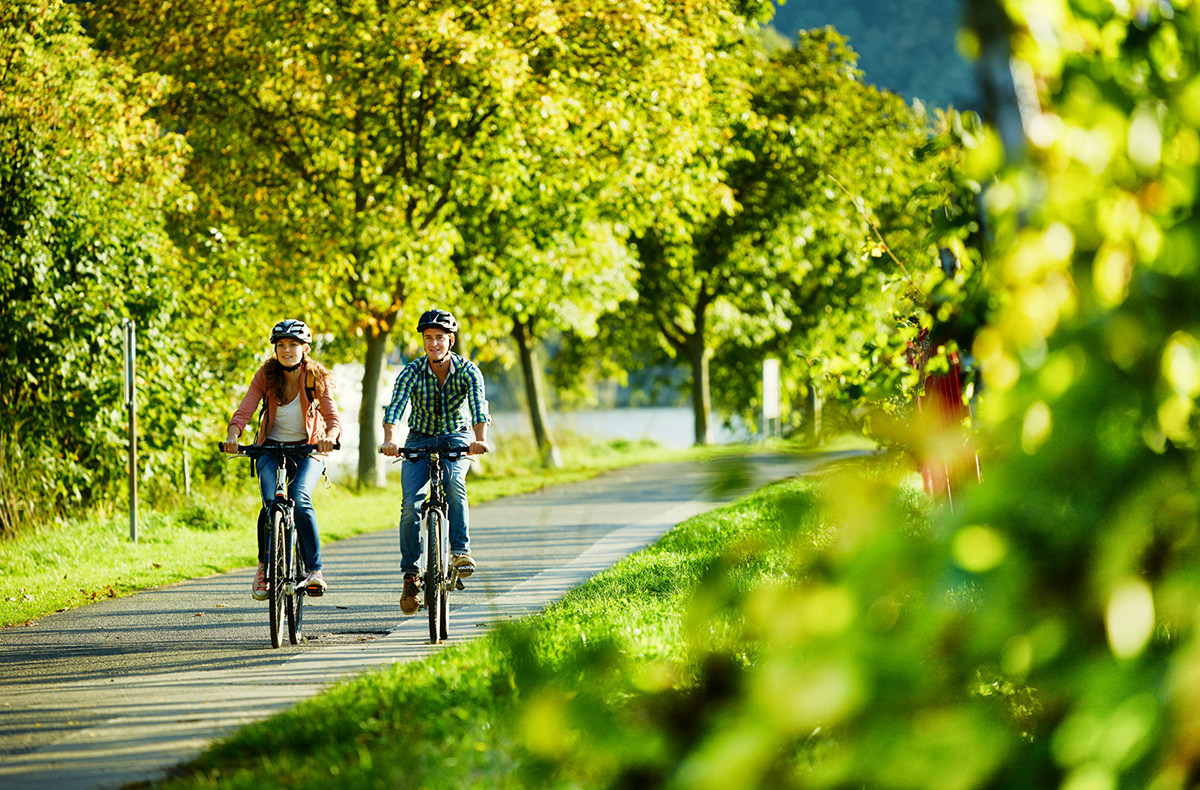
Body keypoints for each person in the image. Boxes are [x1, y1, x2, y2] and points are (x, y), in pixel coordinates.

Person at [378, 308, 490, 616]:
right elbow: (396, 407)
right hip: (418, 439)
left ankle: (459, 552)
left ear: (450, 341)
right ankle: (411, 576)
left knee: (454, 484)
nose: (433, 344)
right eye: (428, 338)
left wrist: (479, 439)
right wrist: (390, 439)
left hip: (456, 436)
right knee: (410, 505)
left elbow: (479, 407)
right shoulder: (412, 371)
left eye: (440, 338)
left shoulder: (468, 371)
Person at [220, 319, 341, 600]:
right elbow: (245, 409)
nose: (287, 350)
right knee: (270, 502)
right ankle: (265, 566)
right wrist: (233, 435)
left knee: (299, 497)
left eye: (293, 345)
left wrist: (330, 437)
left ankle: (314, 571)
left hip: (309, 448)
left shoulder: (316, 377)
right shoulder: (266, 374)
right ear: (275, 349)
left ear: (305, 349)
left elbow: (333, 418)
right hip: (270, 448)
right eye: (281, 345)